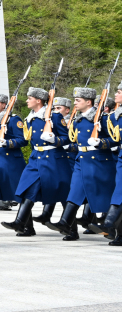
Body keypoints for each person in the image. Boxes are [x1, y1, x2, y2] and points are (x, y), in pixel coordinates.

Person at [44, 87, 118, 240]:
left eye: (78, 100)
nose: (75, 103)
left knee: (106, 196)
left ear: (88, 102)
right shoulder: (78, 121)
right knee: (74, 192)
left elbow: (115, 139)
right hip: (81, 160)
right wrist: (60, 143)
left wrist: (101, 142)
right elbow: (76, 143)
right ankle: (65, 222)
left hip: (99, 161)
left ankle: (115, 230)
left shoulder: (103, 119)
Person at [1, 88, 72, 236]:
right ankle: (20, 222)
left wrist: (54, 139)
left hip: (53, 158)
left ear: (38, 100)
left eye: (29, 98)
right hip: (36, 158)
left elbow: (67, 138)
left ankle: (71, 229)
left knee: (63, 192)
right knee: (27, 188)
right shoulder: (30, 118)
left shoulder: (55, 117)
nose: (27, 100)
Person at [90, 82, 122, 245]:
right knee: (119, 192)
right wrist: (100, 142)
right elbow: (114, 139)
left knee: (120, 192)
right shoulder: (116, 117)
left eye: (119, 92)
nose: (116, 95)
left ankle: (108, 224)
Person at [52, 97, 76, 173]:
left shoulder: (74, 123)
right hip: (54, 156)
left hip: (69, 157)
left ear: (67, 110)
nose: (55, 110)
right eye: (54, 108)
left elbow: (81, 143)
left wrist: (69, 147)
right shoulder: (50, 122)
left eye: (59, 108)